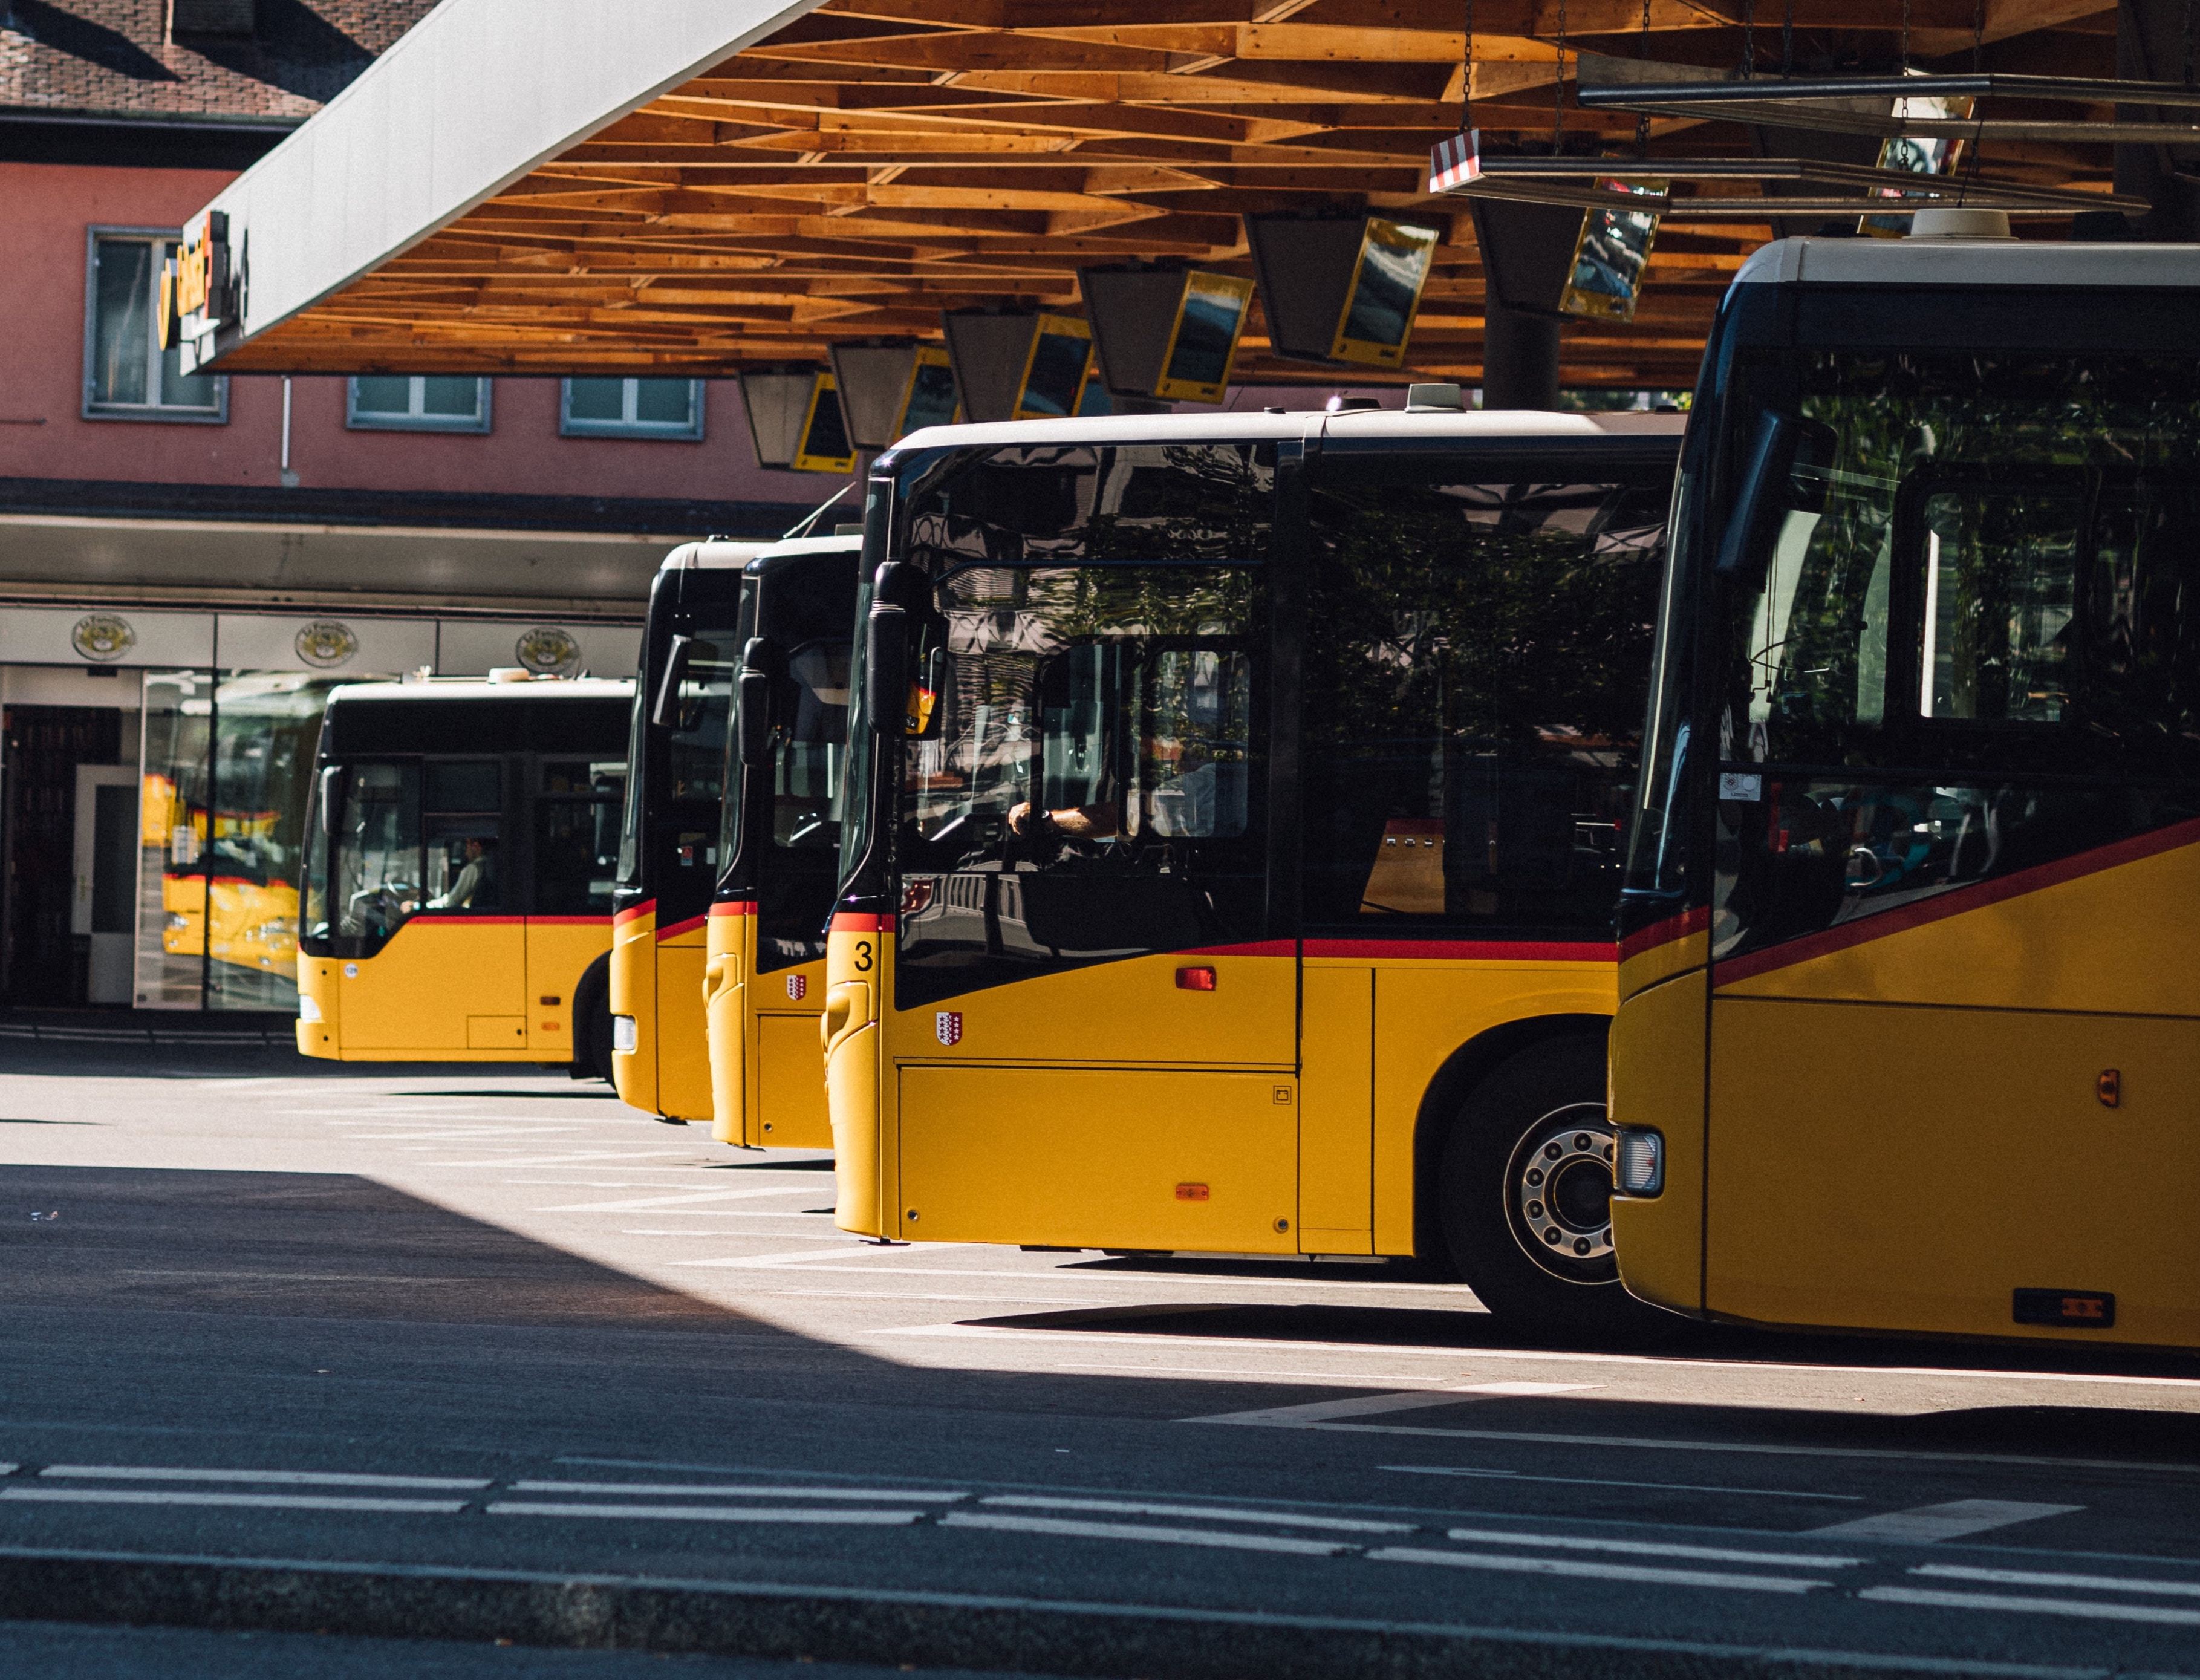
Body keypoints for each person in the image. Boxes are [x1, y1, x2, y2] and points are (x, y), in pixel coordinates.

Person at [429, 836, 495, 909]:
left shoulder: (473, 868)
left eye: (467, 845)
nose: (466, 852)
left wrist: (429, 905)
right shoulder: (492, 865)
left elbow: (453, 900)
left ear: (476, 846)